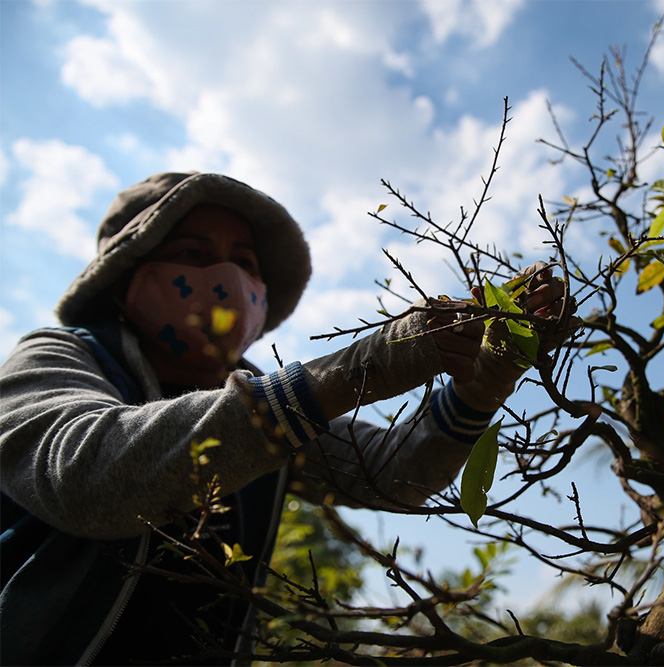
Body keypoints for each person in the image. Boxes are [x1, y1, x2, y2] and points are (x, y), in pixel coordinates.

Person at [0, 172, 574, 665]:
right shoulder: (58, 357)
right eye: (194, 254)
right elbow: (85, 478)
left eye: (244, 262)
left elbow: (397, 473)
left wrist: (484, 384)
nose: (225, 275)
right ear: (127, 277)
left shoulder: (262, 402)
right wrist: (364, 364)